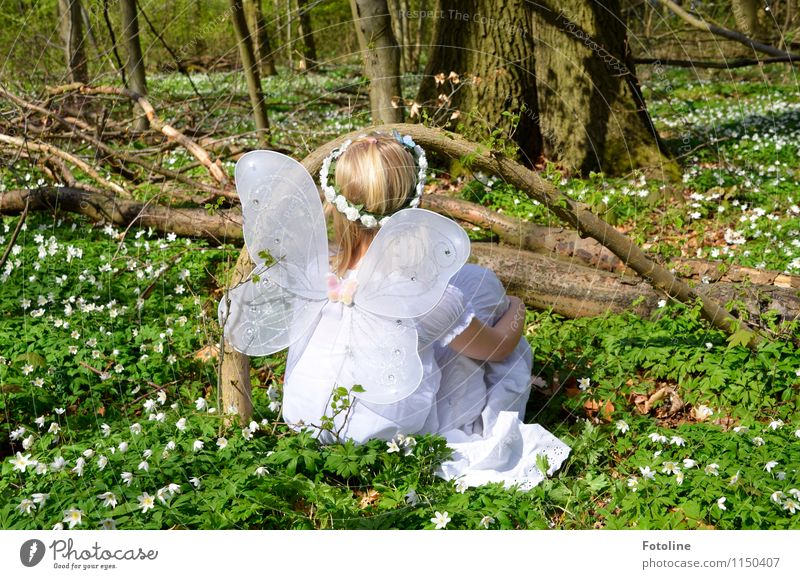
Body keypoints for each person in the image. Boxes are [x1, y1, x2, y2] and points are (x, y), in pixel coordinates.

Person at [225, 131, 570, 490]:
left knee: (456, 294)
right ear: (413, 204)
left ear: (336, 202)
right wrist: (517, 308)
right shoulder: (421, 294)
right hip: (384, 438)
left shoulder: (315, 271)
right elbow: (500, 347)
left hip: (307, 425)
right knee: (483, 286)